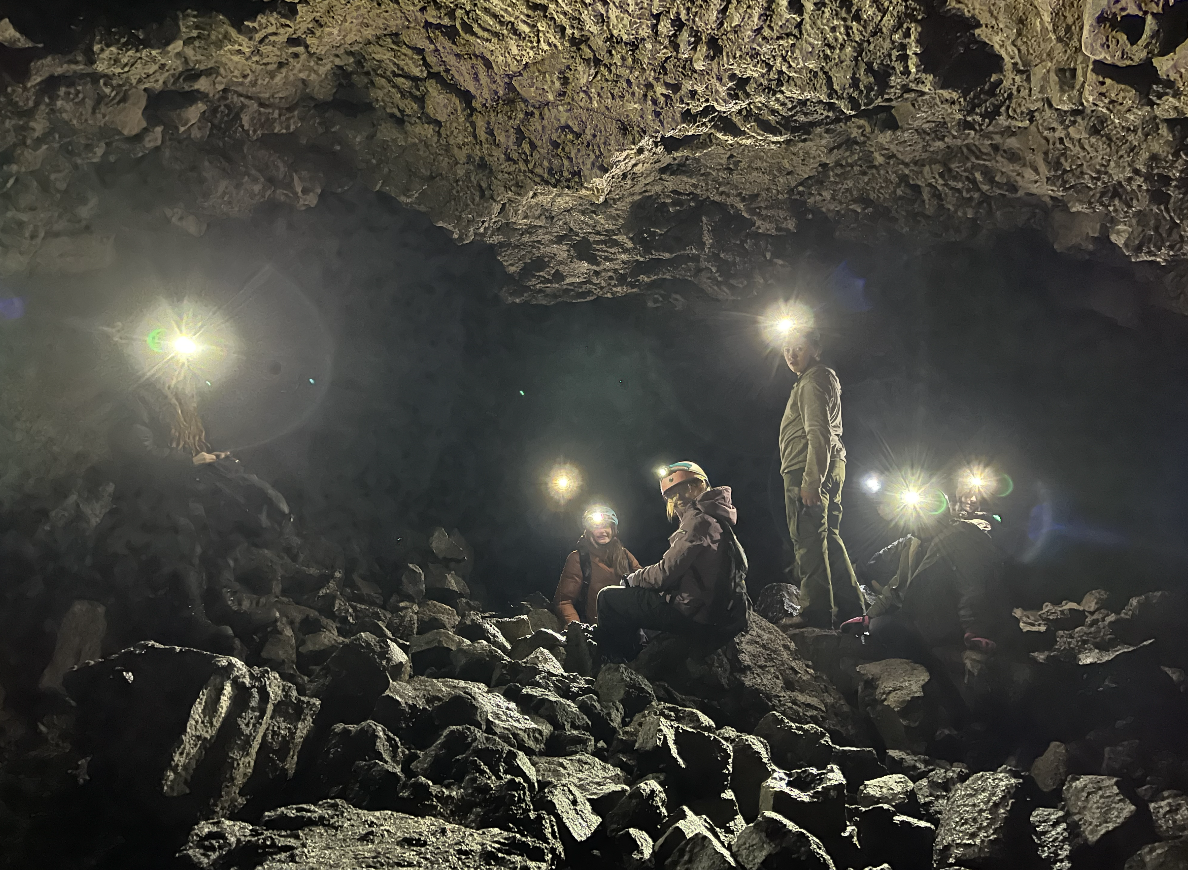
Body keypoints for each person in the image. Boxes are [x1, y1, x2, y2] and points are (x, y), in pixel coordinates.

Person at [844, 489, 1004, 722]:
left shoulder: (961, 537)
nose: (910, 519)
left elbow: (973, 587)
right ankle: (945, 708)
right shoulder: (914, 544)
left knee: (891, 634)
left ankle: (960, 717)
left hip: (947, 622)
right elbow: (896, 586)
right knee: (877, 629)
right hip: (922, 618)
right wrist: (868, 617)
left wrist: (974, 629)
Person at [596, 462, 749, 661]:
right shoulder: (718, 518)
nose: (675, 503)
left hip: (697, 617)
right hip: (721, 613)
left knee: (608, 598)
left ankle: (617, 662)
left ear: (696, 487)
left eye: (678, 496)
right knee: (639, 597)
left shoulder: (698, 522)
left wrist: (632, 579)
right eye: (671, 498)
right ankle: (638, 653)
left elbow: (664, 574)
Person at [779, 328, 864, 628]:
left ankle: (814, 612)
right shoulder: (816, 379)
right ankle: (853, 608)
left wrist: (811, 480)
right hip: (830, 465)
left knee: (809, 539)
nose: (791, 354)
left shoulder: (814, 380)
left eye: (798, 348)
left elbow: (818, 432)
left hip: (808, 467)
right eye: (786, 348)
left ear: (815, 348)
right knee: (829, 537)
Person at [552, 505, 641, 625]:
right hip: (596, 632)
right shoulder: (579, 559)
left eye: (606, 526)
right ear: (589, 531)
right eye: (596, 527)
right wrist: (578, 630)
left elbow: (644, 582)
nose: (602, 531)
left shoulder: (625, 555)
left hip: (629, 628)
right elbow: (563, 601)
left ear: (613, 529)